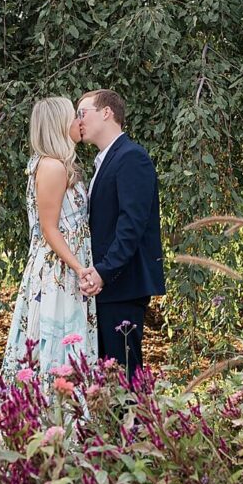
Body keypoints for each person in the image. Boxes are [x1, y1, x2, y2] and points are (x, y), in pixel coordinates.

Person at [0, 97, 98, 383]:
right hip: (59, 269)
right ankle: (50, 401)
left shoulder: (57, 165)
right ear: (59, 125)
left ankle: (63, 403)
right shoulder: (53, 167)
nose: (79, 121)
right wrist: (79, 268)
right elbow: (49, 228)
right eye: (74, 116)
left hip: (67, 263)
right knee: (56, 337)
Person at [77, 89, 165, 380]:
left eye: (82, 113)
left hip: (122, 285)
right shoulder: (106, 159)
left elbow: (132, 225)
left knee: (125, 378)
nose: (78, 121)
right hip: (106, 287)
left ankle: (137, 414)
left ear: (106, 112)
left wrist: (104, 271)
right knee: (107, 378)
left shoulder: (131, 157)